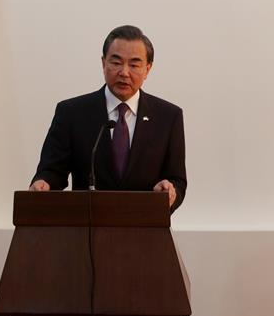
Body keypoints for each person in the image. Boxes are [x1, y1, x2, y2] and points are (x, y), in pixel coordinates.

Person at [29, 25, 187, 211]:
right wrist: (43, 183)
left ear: (147, 69)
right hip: (87, 231)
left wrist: (170, 191)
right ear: (103, 63)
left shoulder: (168, 117)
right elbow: (52, 171)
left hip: (145, 229)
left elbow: (177, 179)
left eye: (134, 64)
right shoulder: (71, 112)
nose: (124, 72)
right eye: (116, 62)